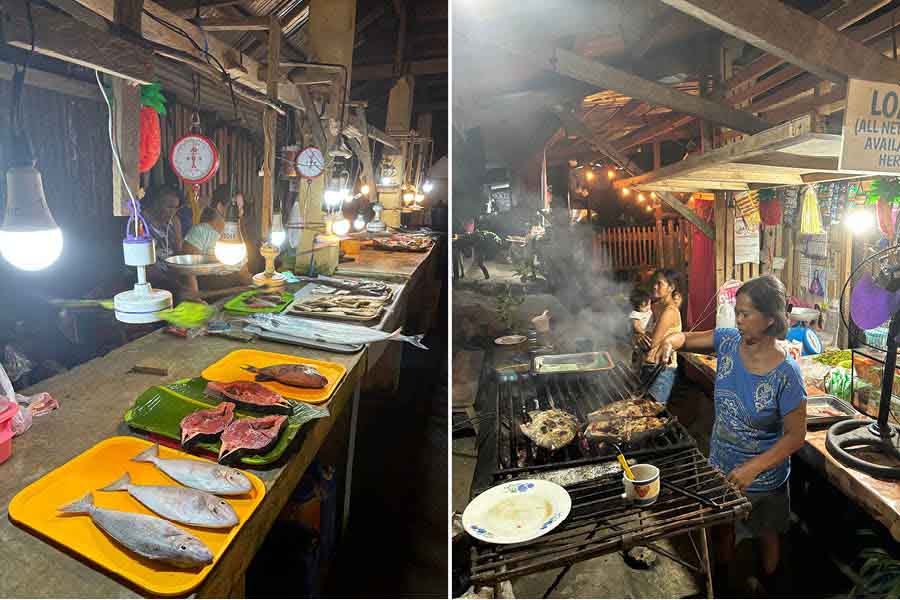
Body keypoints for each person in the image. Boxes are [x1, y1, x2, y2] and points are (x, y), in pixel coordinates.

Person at [656, 274, 807, 595]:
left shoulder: (786, 373)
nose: (737, 319)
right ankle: (724, 588)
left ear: (769, 319)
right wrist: (670, 342)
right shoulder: (726, 341)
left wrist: (754, 467)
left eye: (745, 314)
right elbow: (685, 339)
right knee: (721, 530)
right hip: (720, 465)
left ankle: (771, 586)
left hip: (764, 479)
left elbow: (795, 436)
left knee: (767, 535)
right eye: (736, 311)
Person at [183, 185, 252, 287]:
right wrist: (197, 299)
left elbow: (243, 270)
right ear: (220, 207)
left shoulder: (237, 236)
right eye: (238, 208)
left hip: (236, 292)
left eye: (242, 208)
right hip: (210, 295)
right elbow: (189, 273)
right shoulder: (200, 233)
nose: (241, 212)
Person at [141, 186, 199, 299]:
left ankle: (195, 297)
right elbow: (147, 267)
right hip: (152, 276)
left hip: (171, 272)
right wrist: (174, 284)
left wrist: (186, 274)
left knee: (190, 276)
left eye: (175, 208)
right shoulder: (142, 223)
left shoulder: (174, 221)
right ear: (156, 204)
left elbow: (178, 251)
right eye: (169, 207)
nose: (173, 211)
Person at [635, 269, 683, 404]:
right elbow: (643, 334)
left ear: (671, 287)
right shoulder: (656, 307)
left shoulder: (670, 311)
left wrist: (638, 337)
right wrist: (638, 336)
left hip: (662, 370)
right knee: (643, 410)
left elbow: (651, 343)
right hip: (649, 366)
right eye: (654, 283)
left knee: (653, 412)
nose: (655, 286)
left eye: (659, 284)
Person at [629, 288, 652, 370]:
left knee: (643, 356)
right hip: (639, 338)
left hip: (646, 336)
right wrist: (644, 332)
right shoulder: (635, 314)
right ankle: (635, 369)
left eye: (649, 304)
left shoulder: (649, 311)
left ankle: (639, 369)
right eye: (646, 306)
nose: (649, 307)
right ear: (638, 306)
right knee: (638, 355)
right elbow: (636, 326)